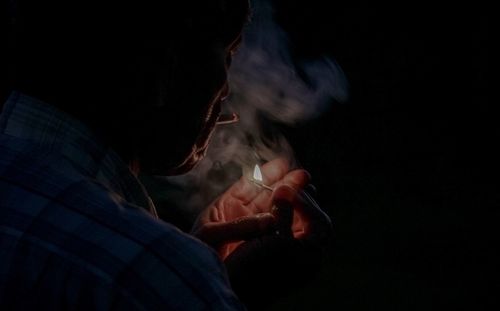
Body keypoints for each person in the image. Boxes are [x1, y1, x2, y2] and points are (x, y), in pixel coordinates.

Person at [0, 0, 332, 309]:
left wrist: (211, 275)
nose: (227, 91)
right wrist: (197, 282)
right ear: (165, 69)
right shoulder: (152, 277)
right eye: (227, 57)